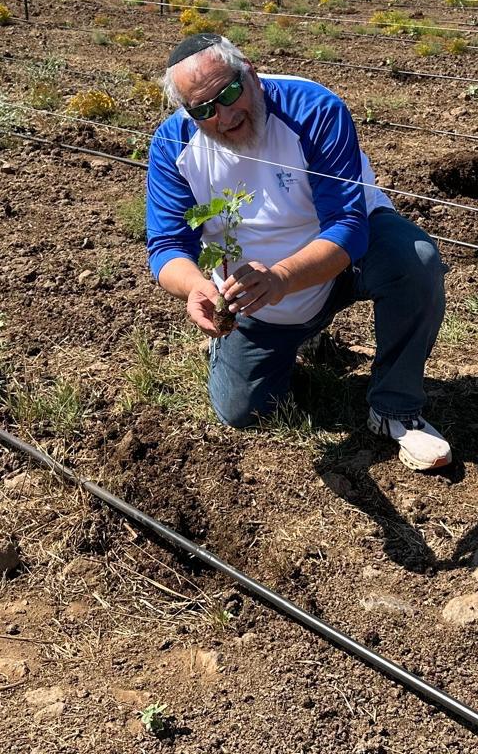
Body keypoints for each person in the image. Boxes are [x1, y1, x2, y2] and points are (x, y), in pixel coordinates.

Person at [146, 33, 452, 471]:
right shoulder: (173, 144)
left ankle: (395, 407)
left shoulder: (311, 108)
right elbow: (167, 245)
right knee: (243, 412)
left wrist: (282, 277)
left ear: (250, 73)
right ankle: (268, 342)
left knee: (414, 259)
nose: (224, 116)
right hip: (254, 296)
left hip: (341, 263)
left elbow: (348, 225)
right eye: (203, 109)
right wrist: (196, 286)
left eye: (229, 94)